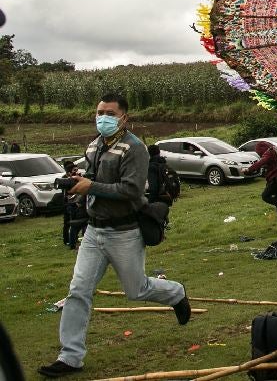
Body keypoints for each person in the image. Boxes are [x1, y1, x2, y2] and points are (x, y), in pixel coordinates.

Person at [39, 94, 189, 378]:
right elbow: (93, 180)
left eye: (110, 113)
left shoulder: (135, 148)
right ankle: (70, 357)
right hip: (94, 231)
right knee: (78, 290)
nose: (103, 118)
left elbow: (132, 190)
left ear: (124, 117)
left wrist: (91, 186)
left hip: (124, 232)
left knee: (137, 290)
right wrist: (77, 185)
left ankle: (176, 293)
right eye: (99, 112)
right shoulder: (94, 145)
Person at [243, 141, 277, 217]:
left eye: (258, 152)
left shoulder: (269, 153)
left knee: (265, 196)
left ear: (260, 149)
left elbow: (260, 162)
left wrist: (248, 169)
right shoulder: (276, 152)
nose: (259, 154)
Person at [60, 161, 87, 251]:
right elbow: (68, 195)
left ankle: (74, 241)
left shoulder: (78, 178)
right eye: (74, 170)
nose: (77, 172)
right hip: (71, 205)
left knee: (79, 224)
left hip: (75, 204)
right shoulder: (67, 181)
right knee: (73, 224)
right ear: (69, 172)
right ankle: (70, 242)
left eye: (77, 170)